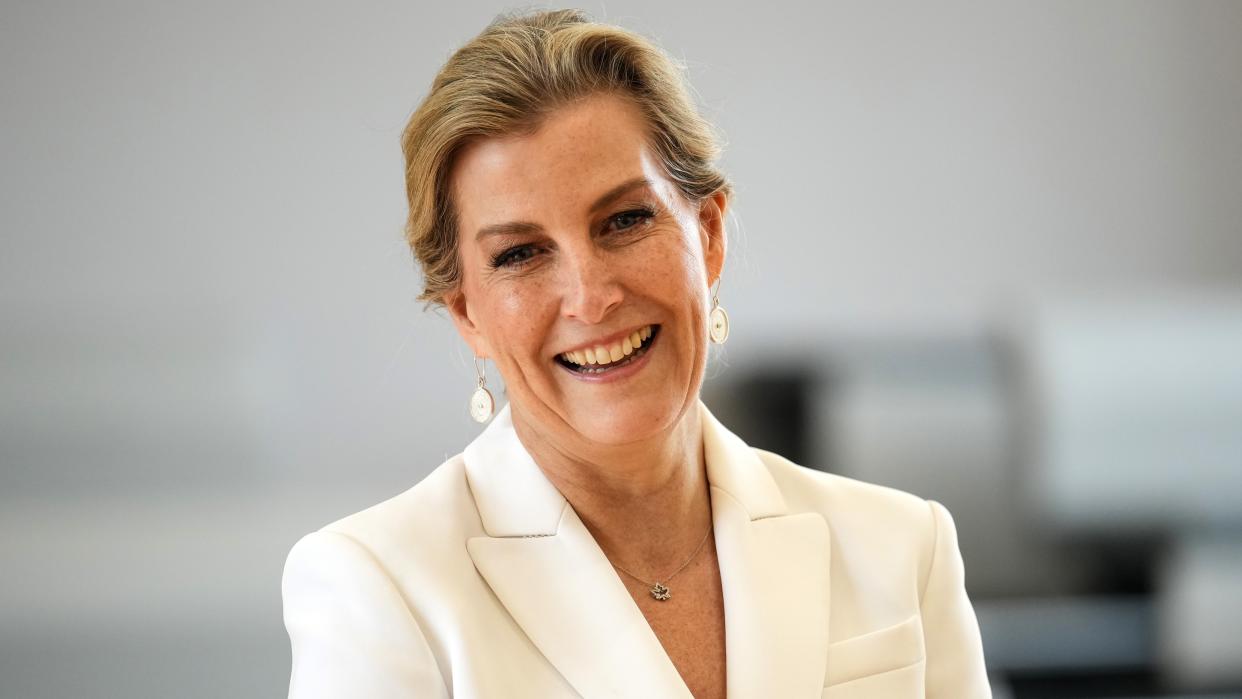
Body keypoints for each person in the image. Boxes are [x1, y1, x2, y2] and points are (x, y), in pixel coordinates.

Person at [281, 9, 990, 698]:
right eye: (522, 254)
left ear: (707, 234)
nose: (590, 298)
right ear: (467, 311)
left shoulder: (902, 548)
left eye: (625, 220)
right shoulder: (379, 586)